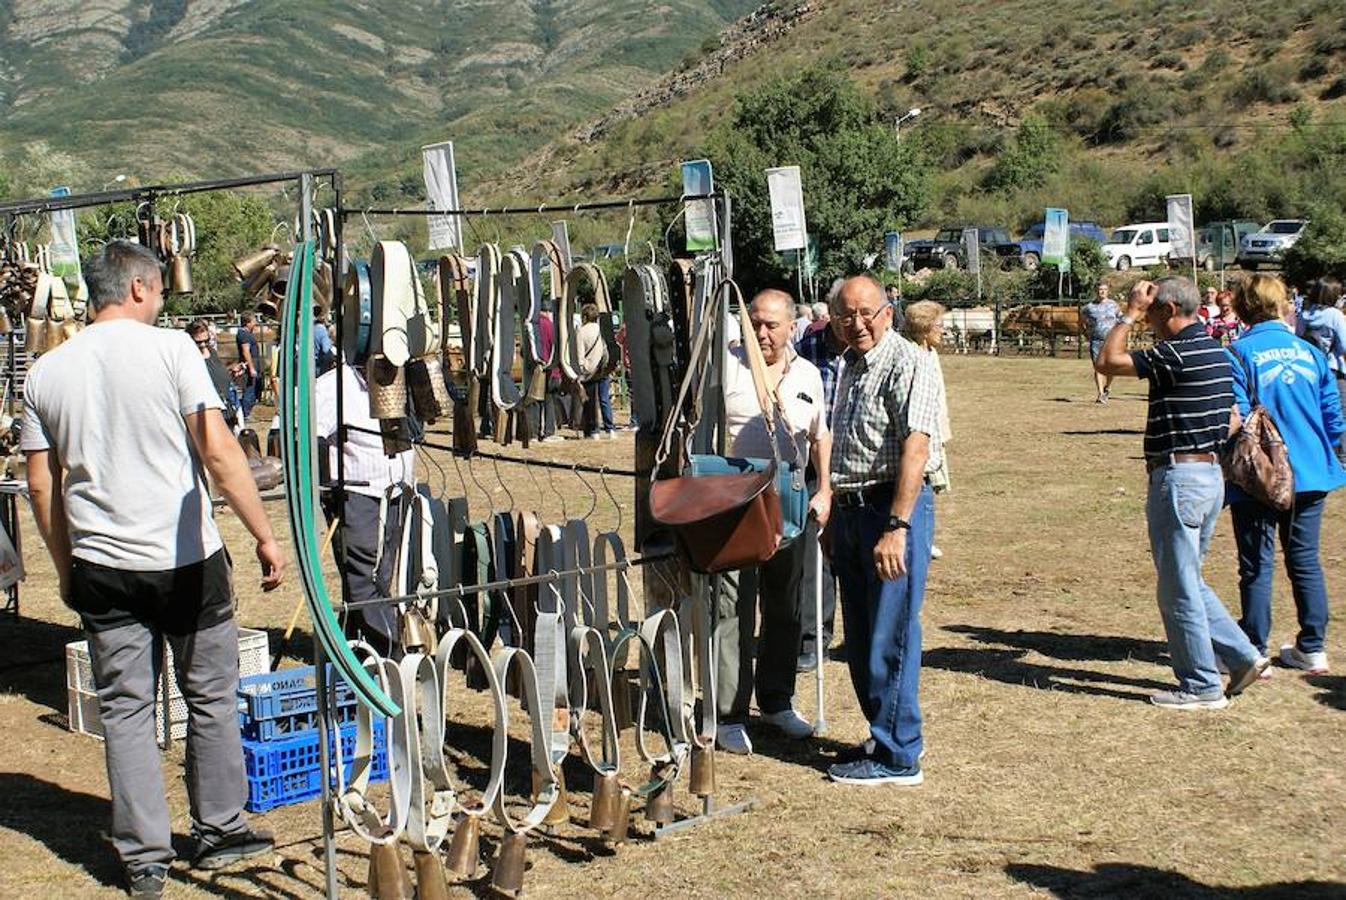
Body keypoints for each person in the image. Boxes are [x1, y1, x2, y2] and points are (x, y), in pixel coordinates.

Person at [22, 241, 284, 897]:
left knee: (128, 713)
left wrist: (64, 566)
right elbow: (219, 450)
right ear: (138, 289)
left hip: (102, 567)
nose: (163, 300)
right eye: (161, 289)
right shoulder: (173, 351)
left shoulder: (45, 373)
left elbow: (40, 486)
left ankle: (144, 859)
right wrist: (264, 534)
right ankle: (220, 828)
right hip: (185, 563)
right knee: (210, 699)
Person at [1094, 276, 1269, 709]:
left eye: (1152, 313)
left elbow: (1107, 361)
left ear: (1169, 311)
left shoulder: (1176, 353)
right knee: (1186, 580)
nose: (1147, 321)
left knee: (1178, 588)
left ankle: (1201, 685)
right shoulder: (1214, 349)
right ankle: (1243, 655)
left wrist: (1128, 313)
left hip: (1180, 479)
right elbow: (1230, 417)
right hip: (1209, 477)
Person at [825, 275, 941, 785]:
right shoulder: (848, 366)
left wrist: (897, 526)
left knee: (889, 635)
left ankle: (898, 755)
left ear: (888, 313)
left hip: (889, 509)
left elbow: (916, 447)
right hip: (851, 511)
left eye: (867, 313)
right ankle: (883, 730)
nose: (857, 324)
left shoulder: (907, 362)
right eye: (845, 315)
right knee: (862, 633)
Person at [715, 289, 832, 754]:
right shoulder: (725, 366)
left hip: (789, 496)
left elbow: (819, 434)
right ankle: (729, 711)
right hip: (734, 497)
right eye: (756, 323)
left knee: (785, 605)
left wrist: (824, 488)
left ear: (790, 327)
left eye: (772, 325)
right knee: (733, 607)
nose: (763, 333)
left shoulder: (807, 374)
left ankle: (777, 698)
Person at [1226, 274, 1346, 675]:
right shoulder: (1310, 353)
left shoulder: (1238, 353)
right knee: (1305, 560)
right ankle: (1312, 647)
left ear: (1242, 308)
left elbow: (1237, 419)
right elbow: (1333, 416)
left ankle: (1253, 649)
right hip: (1311, 472)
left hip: (1260, 476)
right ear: (1282, 305)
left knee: (1256, 564)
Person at [315, 355, 417, 653]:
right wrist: (329, 489)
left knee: (383, 574)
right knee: (363, 576)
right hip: (357, 494)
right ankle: (387, 648)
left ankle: (354, 646)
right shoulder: (333, 387)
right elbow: (309, 436)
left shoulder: (398, 376)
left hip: (395, 492)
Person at [793, 293, 847, 672]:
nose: (850, 321)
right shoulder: (807, 347)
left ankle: (859, 637)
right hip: (817, 461)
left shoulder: (873, 348)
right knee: (817, 556)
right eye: (842, 312)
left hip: (860, 463)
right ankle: (815, 637)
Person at [902, 301, 952, 560]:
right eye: (939, 325)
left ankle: (924, 537)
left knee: (930, 487)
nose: (943, 331)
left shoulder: (930, 353)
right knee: (919, 485)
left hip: (934, 432)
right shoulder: (913, 356)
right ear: (924, 328)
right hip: (920, 436)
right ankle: (917, 538)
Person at [1298, 276, 1346, 462]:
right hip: (1334, 371)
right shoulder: (1335, 315)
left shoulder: (1305, 315)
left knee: (1314, 413)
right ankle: (1342, 458)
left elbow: (1299, 341)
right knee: (1340, 414)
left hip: (1310, 372)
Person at [186, 320, 239, 430]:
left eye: (206, 341)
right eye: (199, 342)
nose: (203, 345)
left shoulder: (212, 352)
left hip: (226, 406)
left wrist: (231, 371)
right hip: (208, 411)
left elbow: (217, 374)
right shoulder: (189, 359)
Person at [577, 304, 614, 439]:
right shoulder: (601, 329)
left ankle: (594, 430)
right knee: (605, 399)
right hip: (602, 368)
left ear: (585, 316)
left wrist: (581, 370)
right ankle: (610, 429)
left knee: (590, 401)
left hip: (589, 370)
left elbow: (580, 354)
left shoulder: (582, 331)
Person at [1080, 282, 1120, 403]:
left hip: (1111, 341)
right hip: (1096, 340)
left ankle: (1107, 387)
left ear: (1108, 291)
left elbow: (1121, 319)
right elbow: (1081, 321)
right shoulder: (1088, 308)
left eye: (1104, 290)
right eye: (1099, 290)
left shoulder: (1114, 305)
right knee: (1098, 367)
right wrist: (1085, 333)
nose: (1101, 292)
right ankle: (1101, 394)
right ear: (1095, 291)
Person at [235, 312, 262, 421]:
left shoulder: (246, 334)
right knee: (249, 390)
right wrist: (251, 368)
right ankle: (245, 414)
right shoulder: (244, 335)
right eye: (254, 321)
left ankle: (246, 412)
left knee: (254, 389)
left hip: (254, 364)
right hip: (250, 365)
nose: (255, 323)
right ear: (247, 323)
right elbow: (246, 352)